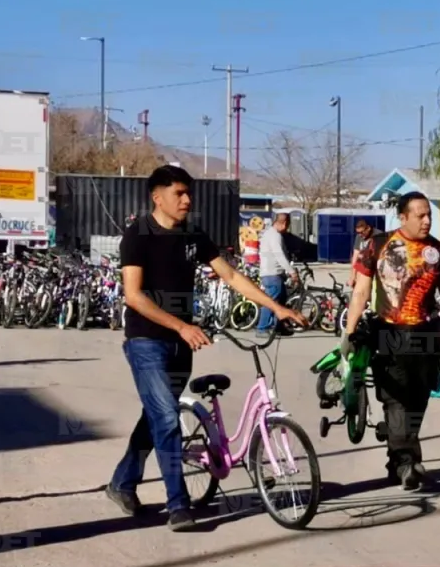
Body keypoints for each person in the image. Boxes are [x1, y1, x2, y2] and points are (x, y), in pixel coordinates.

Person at [106, 165, 308, 531]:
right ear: (158, 196)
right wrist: (182, 326)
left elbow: (230, 276)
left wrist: (276, 307)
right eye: (179, 193)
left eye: (188, 193)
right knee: (167, 418)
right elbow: (133, 296)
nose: (187, 200)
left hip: (181, 344)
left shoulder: (193, 235)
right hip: (146, 340)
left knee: (155, 418)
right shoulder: (138, 235)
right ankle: (179, 505)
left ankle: (122, 482)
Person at [343, 192, 440, 491]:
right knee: (396, 400)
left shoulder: (439, 251)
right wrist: (349, 331)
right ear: (403, 217)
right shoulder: (378, 245)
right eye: (420, 215)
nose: (426, 220)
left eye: (429, 215)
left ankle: (397, 459)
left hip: (425, 335)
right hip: (388, 333)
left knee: (417, 400)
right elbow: (360, 291)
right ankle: (408, 462)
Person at [257, 212, 292, 333]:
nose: (287, 228)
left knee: (281, 300)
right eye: (288, 225)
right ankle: (262, 328)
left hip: (271, 273)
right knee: (271, 301)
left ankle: (279, 326)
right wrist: (291, 271)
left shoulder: (270, 234)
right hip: (272, 274)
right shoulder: (275, 236)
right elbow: (280, 256)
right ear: (284, 223)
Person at [348, 219, 374, 288]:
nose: (360, 235)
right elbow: (355, 256)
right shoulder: (359, 237)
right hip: (362, 267)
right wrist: (352, 276)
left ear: (368, 228)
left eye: (362, 232)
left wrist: (362, 255)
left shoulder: (377, 236)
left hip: (372, 269)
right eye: (358, 233)